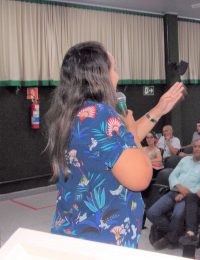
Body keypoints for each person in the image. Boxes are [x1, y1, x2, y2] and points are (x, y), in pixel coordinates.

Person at [48, 41, 185, 247]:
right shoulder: (102, 116)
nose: (117, 76)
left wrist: (159, 109)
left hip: (75, 230)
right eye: (114, 68)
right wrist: (128, 123)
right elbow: (140, 177)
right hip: (104, 238)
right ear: (99, 75)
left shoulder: (74, 113)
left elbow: (120, 146)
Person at [146, 139, 200, 250]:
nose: (196, 148)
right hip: (174, 191)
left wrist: (184, 193)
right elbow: (173, 175)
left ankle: (169, 238)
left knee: (177, 215)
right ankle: (175, 233)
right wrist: (180, 187)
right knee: (152, 213)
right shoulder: (185, 160)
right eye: (195, 146)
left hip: (189, 197)